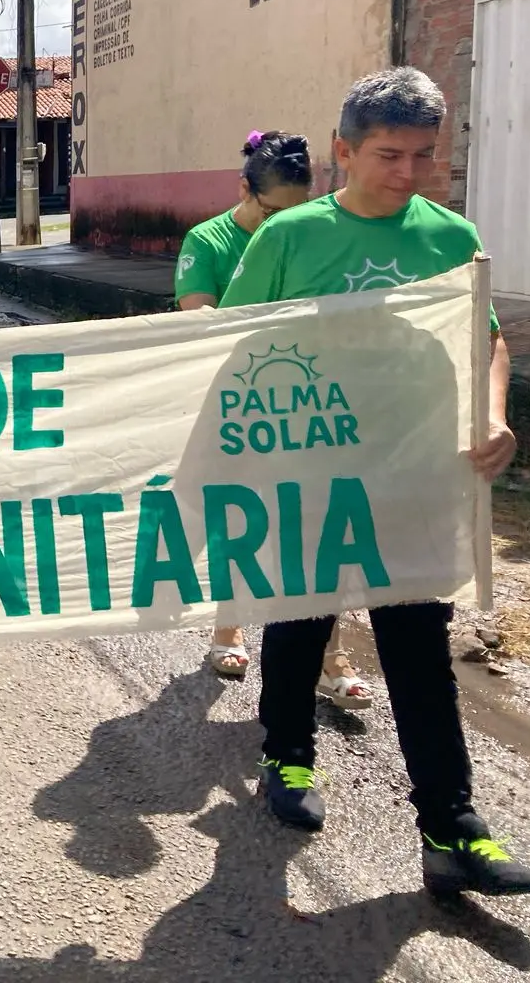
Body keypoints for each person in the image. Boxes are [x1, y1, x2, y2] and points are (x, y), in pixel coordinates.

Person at [221, 67, 530, 897]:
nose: (408, 174)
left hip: (414, 471)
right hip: (311, 471)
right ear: (343, 151)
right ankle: (287, 758)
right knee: (300, 619)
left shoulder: (448, 238)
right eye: (388, 155)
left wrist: (494, 415)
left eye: (424, 157)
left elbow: (488, 339)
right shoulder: (288, 240)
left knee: (417, 645)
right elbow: (231, 346)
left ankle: (452, 827)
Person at [176, 134, 371, 710]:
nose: (284, 223)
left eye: (297, 210)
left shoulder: (323, 237)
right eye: (272, 212)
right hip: (238, 404)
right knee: (245, 516)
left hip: (312, 403)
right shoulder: (208, 240)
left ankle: (331, 658)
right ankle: (229, 629)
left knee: (324, 527)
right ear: (245, 191)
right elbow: (201, 317)